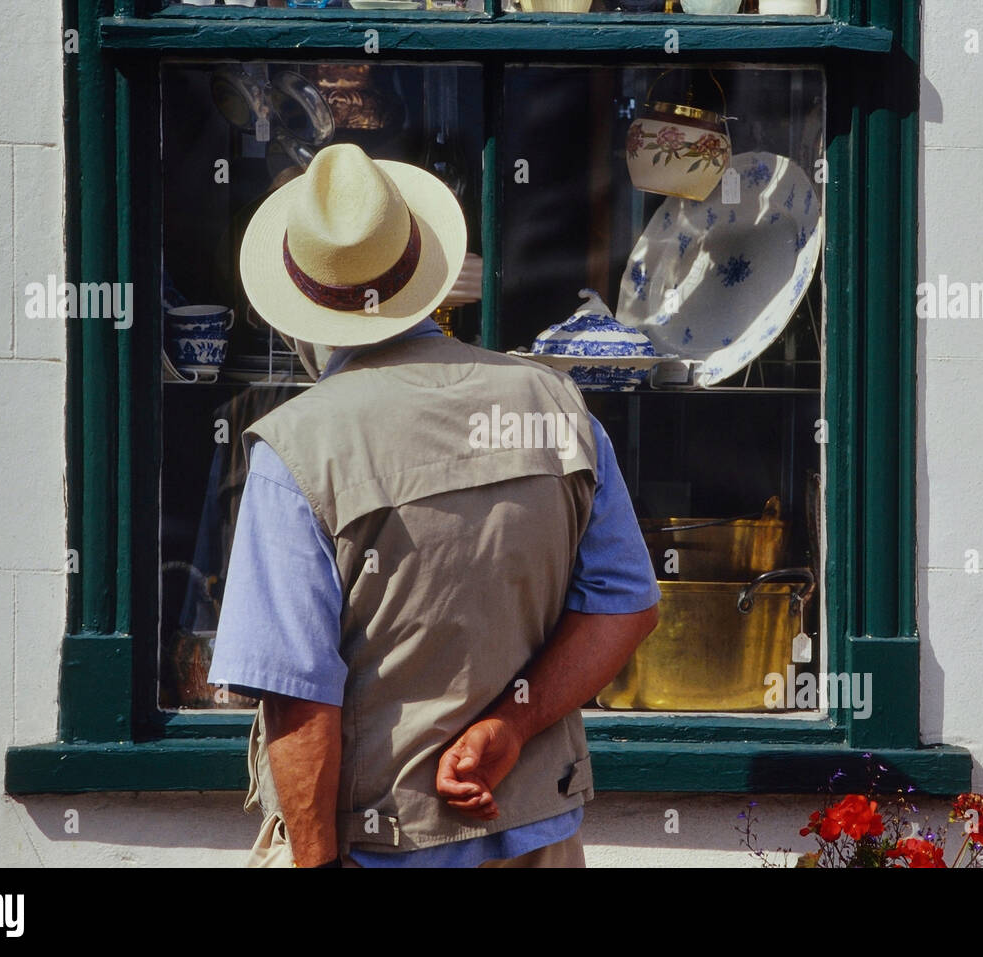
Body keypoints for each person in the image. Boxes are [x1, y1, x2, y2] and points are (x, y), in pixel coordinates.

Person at [209, 142, 660, 868]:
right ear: (425, 277)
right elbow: (625, 606)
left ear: (302, 309)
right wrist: (511, 724)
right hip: (539, 833)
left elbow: (299, 700)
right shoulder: (554, 405)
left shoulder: (297, 449)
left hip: (377, 847)